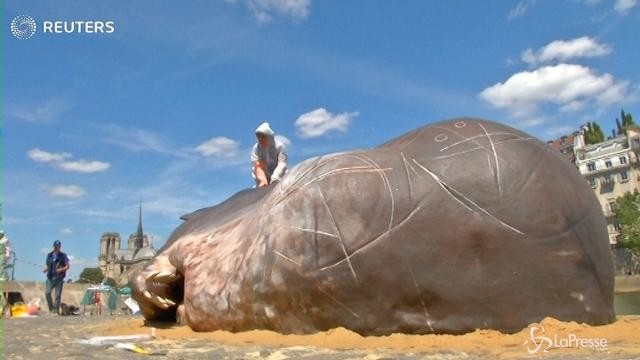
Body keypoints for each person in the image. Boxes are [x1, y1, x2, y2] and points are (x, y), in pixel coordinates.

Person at [251, 122, 288, 187]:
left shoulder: (280, 146)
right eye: (259, 138)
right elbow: (258, 166)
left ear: (269, 137)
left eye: (263, 138)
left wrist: (275, 177)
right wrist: (262, 180)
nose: (260, 140)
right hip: (264, 176)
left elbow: (282, 163)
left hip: (279, 175)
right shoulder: (256, 149)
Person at [43, 240, 70, 315]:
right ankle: (51, 308)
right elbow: (49, 265)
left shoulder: (63, 255)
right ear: (53, 246)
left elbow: (67, 266)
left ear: (60, 247)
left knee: (57, 296)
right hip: (50, 277)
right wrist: (46, 269)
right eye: (55, 246)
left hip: (59, 278)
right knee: (47, 293)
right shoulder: (49, 255)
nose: (57, 247)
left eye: (58, 246)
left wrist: (61, 269)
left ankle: (56, 310)